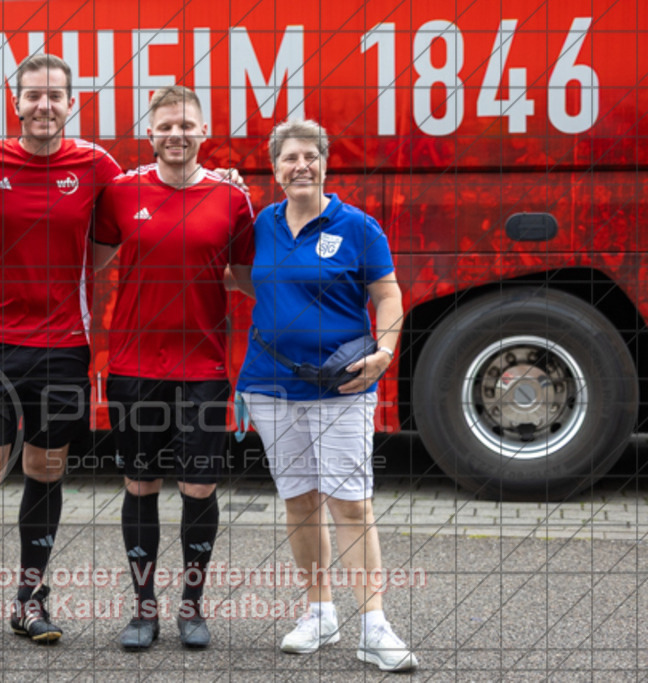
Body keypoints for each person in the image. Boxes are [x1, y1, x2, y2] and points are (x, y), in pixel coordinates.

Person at [0, 53, 122, 646]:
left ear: (72, 104)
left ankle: (30, 602)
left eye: (55, 96)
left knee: (45, 468)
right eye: (32, 96)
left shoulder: (96, 165)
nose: (44, 106)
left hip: (64, 345)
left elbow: (134, 221)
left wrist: (219, 181)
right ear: (15, 103)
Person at [233, 119, 418, 672]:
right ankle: (319, 613)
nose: (301, 166)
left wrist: (385, 352)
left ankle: (375, 627)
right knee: (300, 499)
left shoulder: (358, 227)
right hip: (269, 386)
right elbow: (243, 277)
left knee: (351, 502)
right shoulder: (261, 224)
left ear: (325, 163)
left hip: (342, 387)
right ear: (275, 168)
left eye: (310, 156)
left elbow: (388, 295)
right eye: (290, 158)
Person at [93, 86, 254, 650]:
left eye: (186, 125)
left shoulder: (232, 198)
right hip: (134, 367)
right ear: (150, 132)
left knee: (199, 487)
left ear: (203, 131)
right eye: (165, 126)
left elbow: (249, 276)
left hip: (204, 369)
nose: (176, 135)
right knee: (140, 485)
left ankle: (191, 607)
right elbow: (87, 264)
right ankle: (143, 609)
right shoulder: (119, 192)